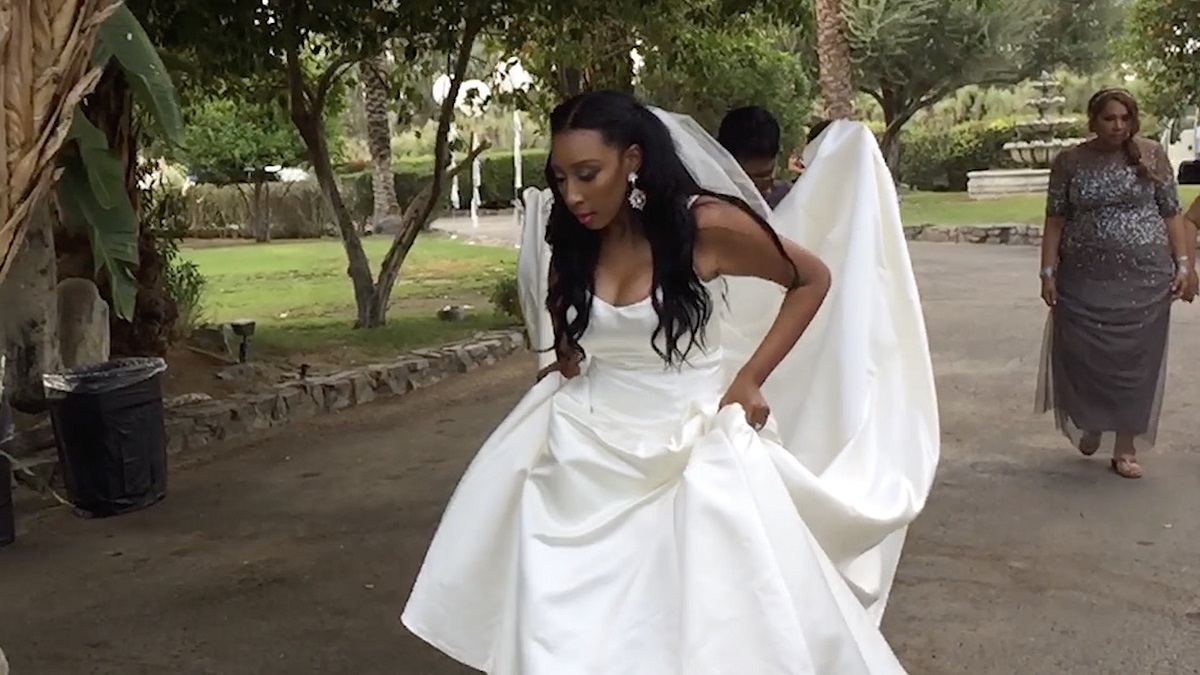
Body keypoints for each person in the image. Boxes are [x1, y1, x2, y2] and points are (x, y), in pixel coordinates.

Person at [402, 91, 940, 674]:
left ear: (632, 159)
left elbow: (811, 279)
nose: (572, 194)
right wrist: (566, 356)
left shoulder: (704, 226)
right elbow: (566, 320)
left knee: (706, 624)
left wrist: (750, 378)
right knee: (565, 627)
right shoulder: (576, 235)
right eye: (559, 178)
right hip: (584, 455)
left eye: (587, 174)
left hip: (689, 447)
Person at [1036, 87, 1189, 479]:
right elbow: (1055, 219)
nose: (1118, 126)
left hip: (1145, 279)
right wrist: (1047, 272)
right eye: (1109, 118)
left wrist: (1184, 264)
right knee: (1084, 356)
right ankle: (1090, 421)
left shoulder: (1152, 154)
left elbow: (1172, 212)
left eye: (1125, 118)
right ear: (1093, 121)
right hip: (1084, 277)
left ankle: (1125, 447)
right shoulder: (1070, 162)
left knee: (1135, 363)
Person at [717, 105, 793, 207]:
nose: (753, 190)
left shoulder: (790, 200)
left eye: (764, 178)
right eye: (744, 179)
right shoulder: (706, 203)